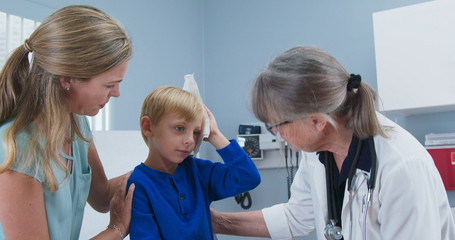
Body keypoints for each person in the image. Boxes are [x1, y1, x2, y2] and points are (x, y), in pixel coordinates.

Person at [211, 46, 455, 240]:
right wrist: (213, 221)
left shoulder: (402, 167)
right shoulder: (318, 150)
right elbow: (296, 217)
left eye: (276, 124)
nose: (275, 133)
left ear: (317, 120)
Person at [0, 5, 135, 240]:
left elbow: (102, 197)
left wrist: (160, 166)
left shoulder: (76, 123)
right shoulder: (17, 153)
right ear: (67, 80)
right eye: (109, 85)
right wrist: (117, 229)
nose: (117, 94)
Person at [127, 85, 261, 239]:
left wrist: (215, 135)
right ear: (148, 127)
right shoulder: (138, 185)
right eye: (179, 128)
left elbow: (249, 177)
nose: (190, 140)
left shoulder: (199, 171)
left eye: (196, 132)